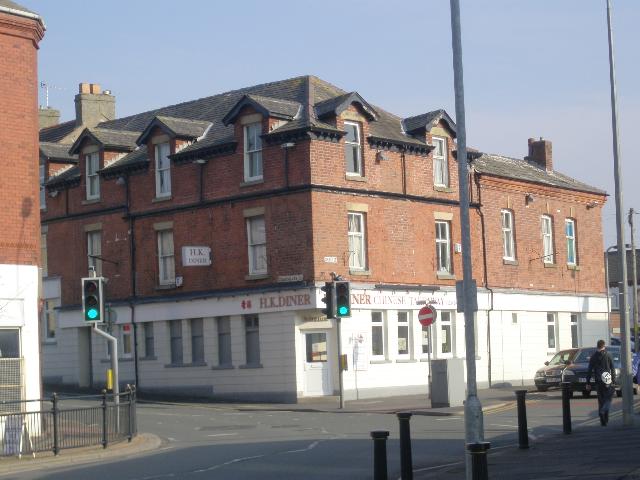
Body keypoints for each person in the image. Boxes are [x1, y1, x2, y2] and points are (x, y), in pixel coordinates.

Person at [585, 339, 616, 426]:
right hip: (607, 380)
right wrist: (613, 380)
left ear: (597, 346)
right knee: (608, 398)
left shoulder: (593, 356)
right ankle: (605, 415)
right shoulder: (608, 355)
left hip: (598, 380)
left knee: (600, 400)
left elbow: (589, 370)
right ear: (604, 346)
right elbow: (612, 368)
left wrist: (588, 383)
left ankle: (602, 420)